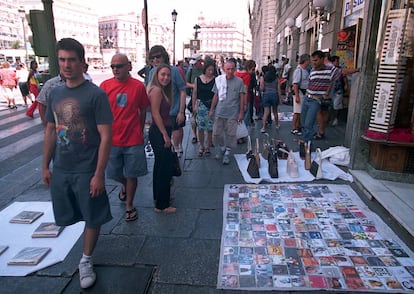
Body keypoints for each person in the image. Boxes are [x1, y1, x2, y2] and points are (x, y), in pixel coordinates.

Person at [42, 38, 113, 289]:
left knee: (92, 215)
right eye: (62, 59)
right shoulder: (55, 92)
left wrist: (99, 174)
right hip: (62, 167)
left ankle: (86, 260)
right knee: (67, 214)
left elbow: (106, 136)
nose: (66, 65)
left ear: (83, 62)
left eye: (72, 60)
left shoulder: (96, 95)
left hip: (87, 168)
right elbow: (51, 129)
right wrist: (45, 165)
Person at [100, 53, 149, 221]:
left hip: (133, 139)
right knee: (113, 173)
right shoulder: (105, 86)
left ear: (129, 66)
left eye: (119, 66)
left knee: (132, 174)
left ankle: (129, 205)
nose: (115, 69)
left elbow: (143, 109)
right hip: (111, 139)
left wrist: (140, 128)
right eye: (112, 66)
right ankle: (124, 185)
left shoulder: (138, 86)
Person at [146, 45, 186, 157]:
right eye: (152, 58)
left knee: (175, 132)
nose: (155, 60)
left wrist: (181, 111)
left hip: (173, 110)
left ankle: (177, 149)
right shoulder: (152, 72)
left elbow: (182, 91)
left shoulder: (174, 71)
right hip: (158, 113)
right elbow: (149, 91)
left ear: (164, 56)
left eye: (157, 57)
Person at [147, 63, 176, 214]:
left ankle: (159, 197)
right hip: (160, 131)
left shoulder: (158, 90)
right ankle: (162, 205)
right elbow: (155, 113)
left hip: (159, 130)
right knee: (164, 167)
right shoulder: (157, 90)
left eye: (168, 75)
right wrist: (165, 135)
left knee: (159, 166)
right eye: (163, 74)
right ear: (156, 76)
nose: (166, 77)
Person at [209, 59, 246, 165]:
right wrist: (211, 109)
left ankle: (227, 154)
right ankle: (221, 147)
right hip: (220, 111)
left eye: (232, 69)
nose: (230, 71)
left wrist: (241, 112)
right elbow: (215, 96)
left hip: (233, 112)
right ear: (223, 69)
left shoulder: (239, 81)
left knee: (231, 135)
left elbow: (242, 97)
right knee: (216, 134)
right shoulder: (219, 80)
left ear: (235, 69)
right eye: (228, 69)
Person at [301, 50, 335, 145]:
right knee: (303, 122)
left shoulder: (330, 69)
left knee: (308, 124)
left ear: (322, 59)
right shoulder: (312, 70)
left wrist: (327, 92)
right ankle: (305, 141)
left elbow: (333, 80)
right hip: (307, 97)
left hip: (316, 100)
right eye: (313, 60)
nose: (314, 62)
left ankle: (307, 145)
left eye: (316, 60)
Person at [192, 60, 216, 157]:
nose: (210, 72)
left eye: (212, 70)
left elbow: (216, 95)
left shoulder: (215, 80)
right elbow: (194, 93)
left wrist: (213, 108)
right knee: (200, 128)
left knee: (210, 129)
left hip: (211, 106)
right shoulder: (198, 79)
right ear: (205, 69)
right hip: (200, 105)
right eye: (209, 70)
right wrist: (194, 105)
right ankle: (201, 146)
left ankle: (208, 147)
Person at [186, 53, 204, 144]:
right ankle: (194, 135)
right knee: (194, 118)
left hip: (204, 96)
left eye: (196, 63)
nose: (194, 64)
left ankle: (204, 136)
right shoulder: (191, 70)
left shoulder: (205, 70)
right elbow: (186, 82)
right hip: (194, 95)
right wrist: (194, 85)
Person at [291, 54, 310, 136]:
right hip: (299, 92)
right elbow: (295, 83)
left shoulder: (304, 70)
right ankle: (294, 127)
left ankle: (298, 126)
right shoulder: (299, 70)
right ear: (305, 61)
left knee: (300, 111)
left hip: (303, 92)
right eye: (309, 60)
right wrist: (297, 95)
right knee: (297, 111)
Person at [259, 65, 280, 132]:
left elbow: (262, 88)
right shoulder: (276, 78)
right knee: (275, 111)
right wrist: (280, 98)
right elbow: (278, 89)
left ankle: (263, 127)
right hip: (274, 95)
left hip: (266, 95)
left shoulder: (263, 77)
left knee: (266, 112)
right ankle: (277, 125)